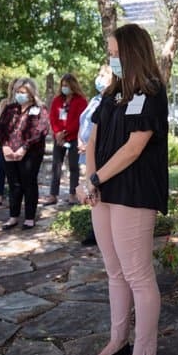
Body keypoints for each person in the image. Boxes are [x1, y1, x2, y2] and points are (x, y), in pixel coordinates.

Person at [76, 23, 168, 355]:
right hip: (104, 193)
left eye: (115, 53)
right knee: (114, 272)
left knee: (138, 276)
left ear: (132, 52)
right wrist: (89, 178)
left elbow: (135, 146)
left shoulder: (151, 91)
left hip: (133, 192)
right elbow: (93, 138)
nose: (111, 59)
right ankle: (118, 342)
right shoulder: (111, 94)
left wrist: (95, 180)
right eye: (109, 53)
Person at [0, 78, 49, 230]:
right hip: (9, 152)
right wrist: (5, 146)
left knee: (29, 183)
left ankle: (30, 217)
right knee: (14, 184)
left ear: (31, 94)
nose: (19, 95)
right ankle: (13, 216)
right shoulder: (10, 108)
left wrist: (24, 148)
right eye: (17, 92)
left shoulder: (40, 109)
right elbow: (1, 128)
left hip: (31, 153)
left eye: (23, 92)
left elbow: (41, 130)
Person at [78, 65, 112, 246]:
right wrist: (80, 141)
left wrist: (89, 146)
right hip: (85, 150)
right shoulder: (95, 99)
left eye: (103, 75)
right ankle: (96, 228)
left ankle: (97, 232)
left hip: (98, 153)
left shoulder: (111, 100)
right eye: (99, 74)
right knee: (90, 189)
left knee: (96, 189)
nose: (98, 78)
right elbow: (84, 122)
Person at [45, 73, 88, 205]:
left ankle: (72, 194)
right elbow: (52, 117)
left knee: (74, 167)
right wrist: (58, 133)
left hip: (74, 138)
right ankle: (53, 195)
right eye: (63, 85)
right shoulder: (57, 100)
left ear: (73, 86)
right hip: (59, 139)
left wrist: (66, 132)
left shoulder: (81, 101)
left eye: (67, 86)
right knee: (56, 166)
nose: (64, 88)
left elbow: (80, 120)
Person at [0, 79, 20, 207]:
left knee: (16, 171)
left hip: (19, 141)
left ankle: (15, 196)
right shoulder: (5, 102)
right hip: (5, 140)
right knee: (1, 168)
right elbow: (1, 121)